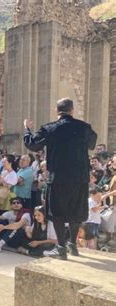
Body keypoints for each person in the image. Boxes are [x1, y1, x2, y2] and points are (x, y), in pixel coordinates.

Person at [24, 98, 97, 259]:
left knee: (57, 213)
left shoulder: (49, 128)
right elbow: (92, 143)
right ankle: (72, 245)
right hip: (79, 177)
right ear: (72, 110)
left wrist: (27, 130)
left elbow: (33, 145)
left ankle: (62, 247)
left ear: (57, 111)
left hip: (58, 178)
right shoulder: (84, 127)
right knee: (76, 212)